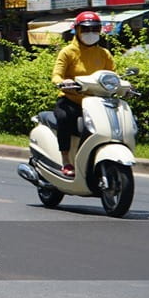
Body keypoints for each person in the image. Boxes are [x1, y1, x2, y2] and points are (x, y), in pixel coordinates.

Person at [52, 11, 115, 177]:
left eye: (95, 29)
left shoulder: (104, 54)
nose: (90, 33)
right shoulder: (67, 52)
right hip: (71, 100)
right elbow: (56, 75)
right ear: (77, 31)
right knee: (64, 118)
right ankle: (66, 160)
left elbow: (113, 76)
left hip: (97, 103)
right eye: (86, 29)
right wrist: (63, 82)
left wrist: (124, 86)